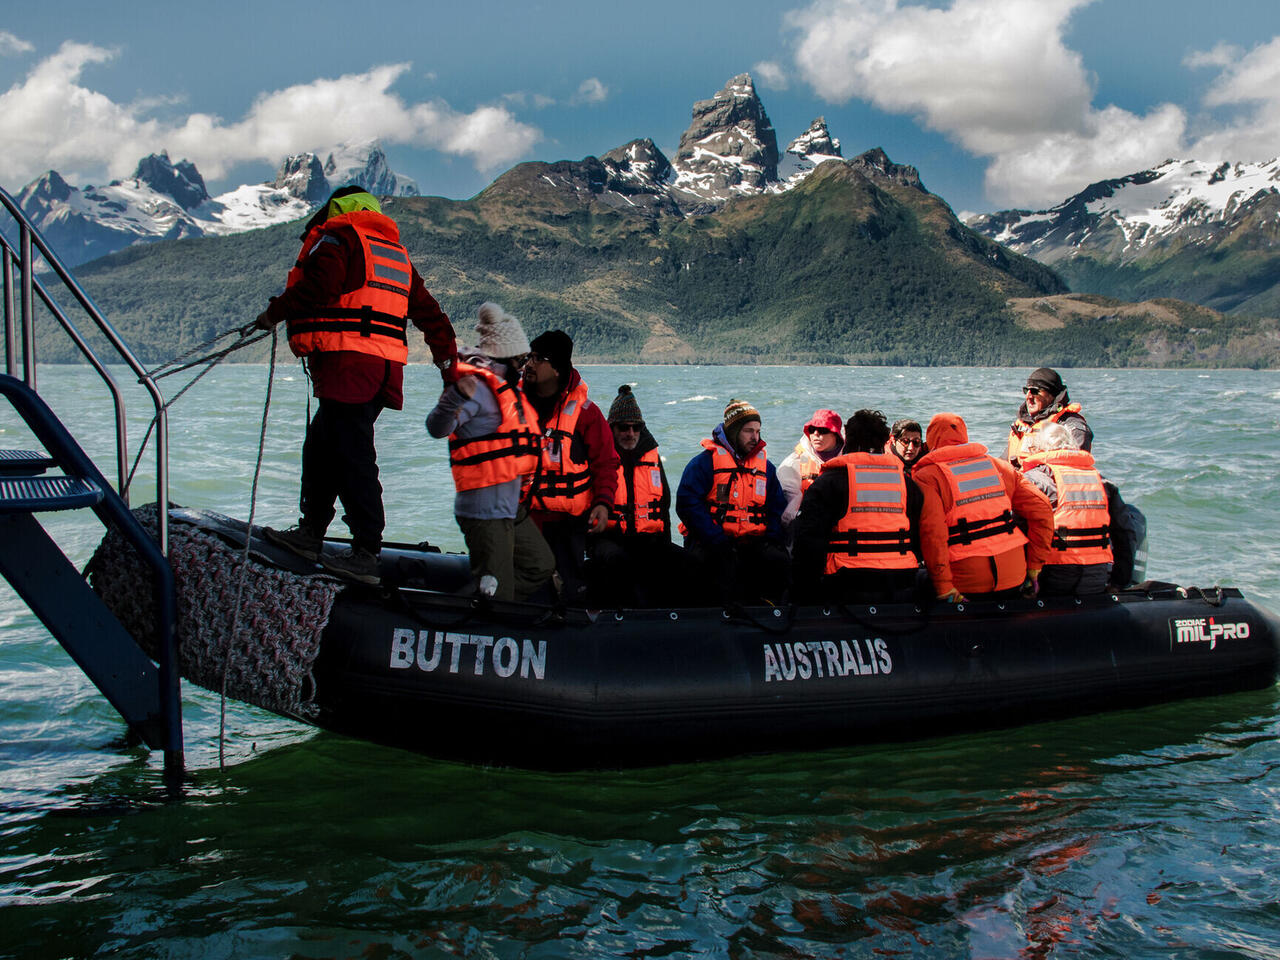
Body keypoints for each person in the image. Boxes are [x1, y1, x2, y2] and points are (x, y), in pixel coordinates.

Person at [258, 186, 458, 584]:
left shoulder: (340, 238)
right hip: (381, 372)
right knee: (323, 447)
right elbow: (431, 314)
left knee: (350, 455)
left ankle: (366, 550)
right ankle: (311, 532)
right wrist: (447, 366)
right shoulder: (394, 254)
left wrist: (274, 313)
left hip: (349, 366)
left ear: (333, 209)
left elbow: (321, 287)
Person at [425, 302, 553, 602]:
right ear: (505, 358)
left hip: (510, 507)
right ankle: (487, 603)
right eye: (520, 361)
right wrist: (456, 395)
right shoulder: (476, 390)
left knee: (541, 565)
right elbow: (436, 427)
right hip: (484, 512)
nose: (524, 368)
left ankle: (480, 595)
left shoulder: (510, 392)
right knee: (501, 598)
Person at [913, 412, 1054, 602]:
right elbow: (1043, 509)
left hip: (966, 581)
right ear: (964, 436)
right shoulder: (1000, 467)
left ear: (930, 442)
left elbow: (933, 534)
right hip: (1014, 574)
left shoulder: (928, 477)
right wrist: (1035, 566)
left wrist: (944, 587)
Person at [522, 329, 619, 604]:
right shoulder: (512, 403)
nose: (529, 364)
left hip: (569, 523)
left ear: (556, 369)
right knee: (526, 587)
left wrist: (602, 503)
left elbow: (606, 461)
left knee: (570, 588)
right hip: (523, 516)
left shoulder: (586, 412)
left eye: (538, 358)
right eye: (530, 356)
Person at [792, 409, 922, 604]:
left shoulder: (829, 483)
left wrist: (803, 596)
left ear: (848, 439)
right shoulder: (907, 484)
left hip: (847, 582)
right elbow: (919, 537)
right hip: (901, 581)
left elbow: (807, 543)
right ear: (884, 442)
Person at [676, 398, 790, 605]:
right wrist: (716, 539)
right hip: (713, 542)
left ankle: (773, 617)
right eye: (748, 431)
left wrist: (772, 539)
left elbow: (776, 507)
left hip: (753, 542)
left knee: (780, 562)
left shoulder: (767, 469)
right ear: (734, 430)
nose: (755, 437)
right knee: (714, 569)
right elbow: (687, 504)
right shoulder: (704, 463)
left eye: (758, 431)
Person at [588, 385, 690, 607]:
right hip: (609, 538)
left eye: (636, 427)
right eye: (624, 428)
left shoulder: (651, 456)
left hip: (647, 539)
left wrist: (665, 544)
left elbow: (663, 507)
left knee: (687, 563)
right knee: (617, 561)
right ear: (612, 428)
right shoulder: (599, 457)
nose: (631, 433)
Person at [1018, 423, 1122, 596]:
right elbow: (1125, 532)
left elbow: (1020, 530)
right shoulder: (1101, 481)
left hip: (1053, 573)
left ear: (1039, 448)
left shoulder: (1034, 480)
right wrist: (1119, 582)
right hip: (1096, 574)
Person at [1005, 367, 1093, 468]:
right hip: (1019, 481)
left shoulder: (1071, 426)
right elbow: (1003, 462)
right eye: (1026, 391)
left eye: (1034, 391)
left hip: (1043, 481)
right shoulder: (1021, 426)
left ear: (1051, 395)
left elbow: (1075, 467)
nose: (1028, 397)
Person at [777, 409, 843, 538]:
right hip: (804, 529)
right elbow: (786, 511)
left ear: (836, 434)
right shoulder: (793, 462)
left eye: (823, 430)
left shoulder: (848, 459)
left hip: (839, 529)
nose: (816, 434)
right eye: (812, 429)